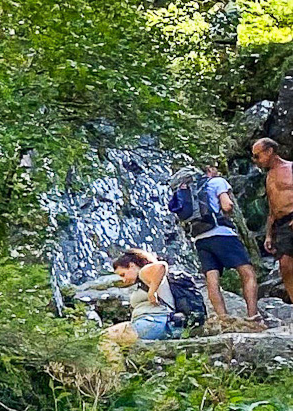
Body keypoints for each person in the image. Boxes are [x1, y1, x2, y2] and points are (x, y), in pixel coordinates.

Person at [175, 162, 262, 322]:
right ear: (209, 170)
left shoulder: (188, 189)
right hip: (222, 234)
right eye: (215, 167)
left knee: (212, 278)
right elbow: (227, 205)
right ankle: (252, 316)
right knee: (247, 272)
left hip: (200, 238)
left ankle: (223, 318)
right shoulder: (216, 182)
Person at [107, 249, 179, 344]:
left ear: (132, 266)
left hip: (154, 322)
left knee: (105, 339)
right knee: (107, 339)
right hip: (151, 322)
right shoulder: (144, 280)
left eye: (123, 274)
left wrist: (151, 292)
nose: (123, 280)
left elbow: (161, 266)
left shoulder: (143, 272)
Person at [255, 137, 293, 302]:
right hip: (281, 224)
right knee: (285, 265)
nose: (255, 161)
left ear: (269, 151)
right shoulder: (269, 176)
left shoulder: (290, 167)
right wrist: (269, 234)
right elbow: (272, 207)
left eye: (257, 156)